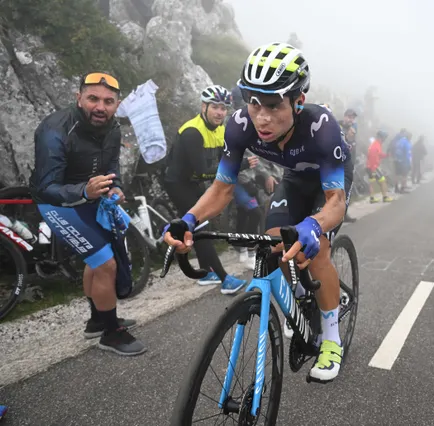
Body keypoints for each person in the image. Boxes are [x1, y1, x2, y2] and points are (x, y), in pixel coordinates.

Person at [165, 42, 353, 382]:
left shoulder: (321, 127)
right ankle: (301, 301)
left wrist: (314, 223)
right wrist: (188, 220)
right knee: (274, 244)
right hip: (295, 180)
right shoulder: (239, 125)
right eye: (254, 103)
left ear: (298, 102)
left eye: (273, 105)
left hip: (328, 186)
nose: (262, 117)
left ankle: (331, 338)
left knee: (318, 247)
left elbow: (336, 202)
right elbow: (222, 189)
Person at [29, 72, 144, 356]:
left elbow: (112, 165)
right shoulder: (54, 129)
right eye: (92, 98)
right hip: (56, 203)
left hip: (91, 197)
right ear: (78, 97)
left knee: (96, 260)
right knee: (105, 263)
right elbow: (46, 187)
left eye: (108, 101)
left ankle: (97, 319)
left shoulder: (113, 128)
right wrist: (84, 191)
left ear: (117, 105)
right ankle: (111, 333)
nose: (100, 107)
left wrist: (114, 186)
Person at [163, 85, 248, 292]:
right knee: (199, 226)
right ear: (204, 106)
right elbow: (203, 171)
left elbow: (222, 160)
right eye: (215, 107)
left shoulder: (220, 129)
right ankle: (224, 278)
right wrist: (240, 167)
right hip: (177, 182)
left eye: (223, 108)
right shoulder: (192, 132)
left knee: (203, 224)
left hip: (192, 181)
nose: (220, 112)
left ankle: (205, 272)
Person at [366, 130, 393, 203]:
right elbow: (372, 157)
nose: (385, 139)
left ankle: (372, 198)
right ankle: (385, 197)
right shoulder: (376, 145)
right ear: (381, 137)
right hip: (373, 167)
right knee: (383, 181)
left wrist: (386, 155)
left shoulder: (376, 144)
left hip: (370, 166)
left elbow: (379, 155)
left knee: (372, 182)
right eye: (384, 138)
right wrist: (373, 169)